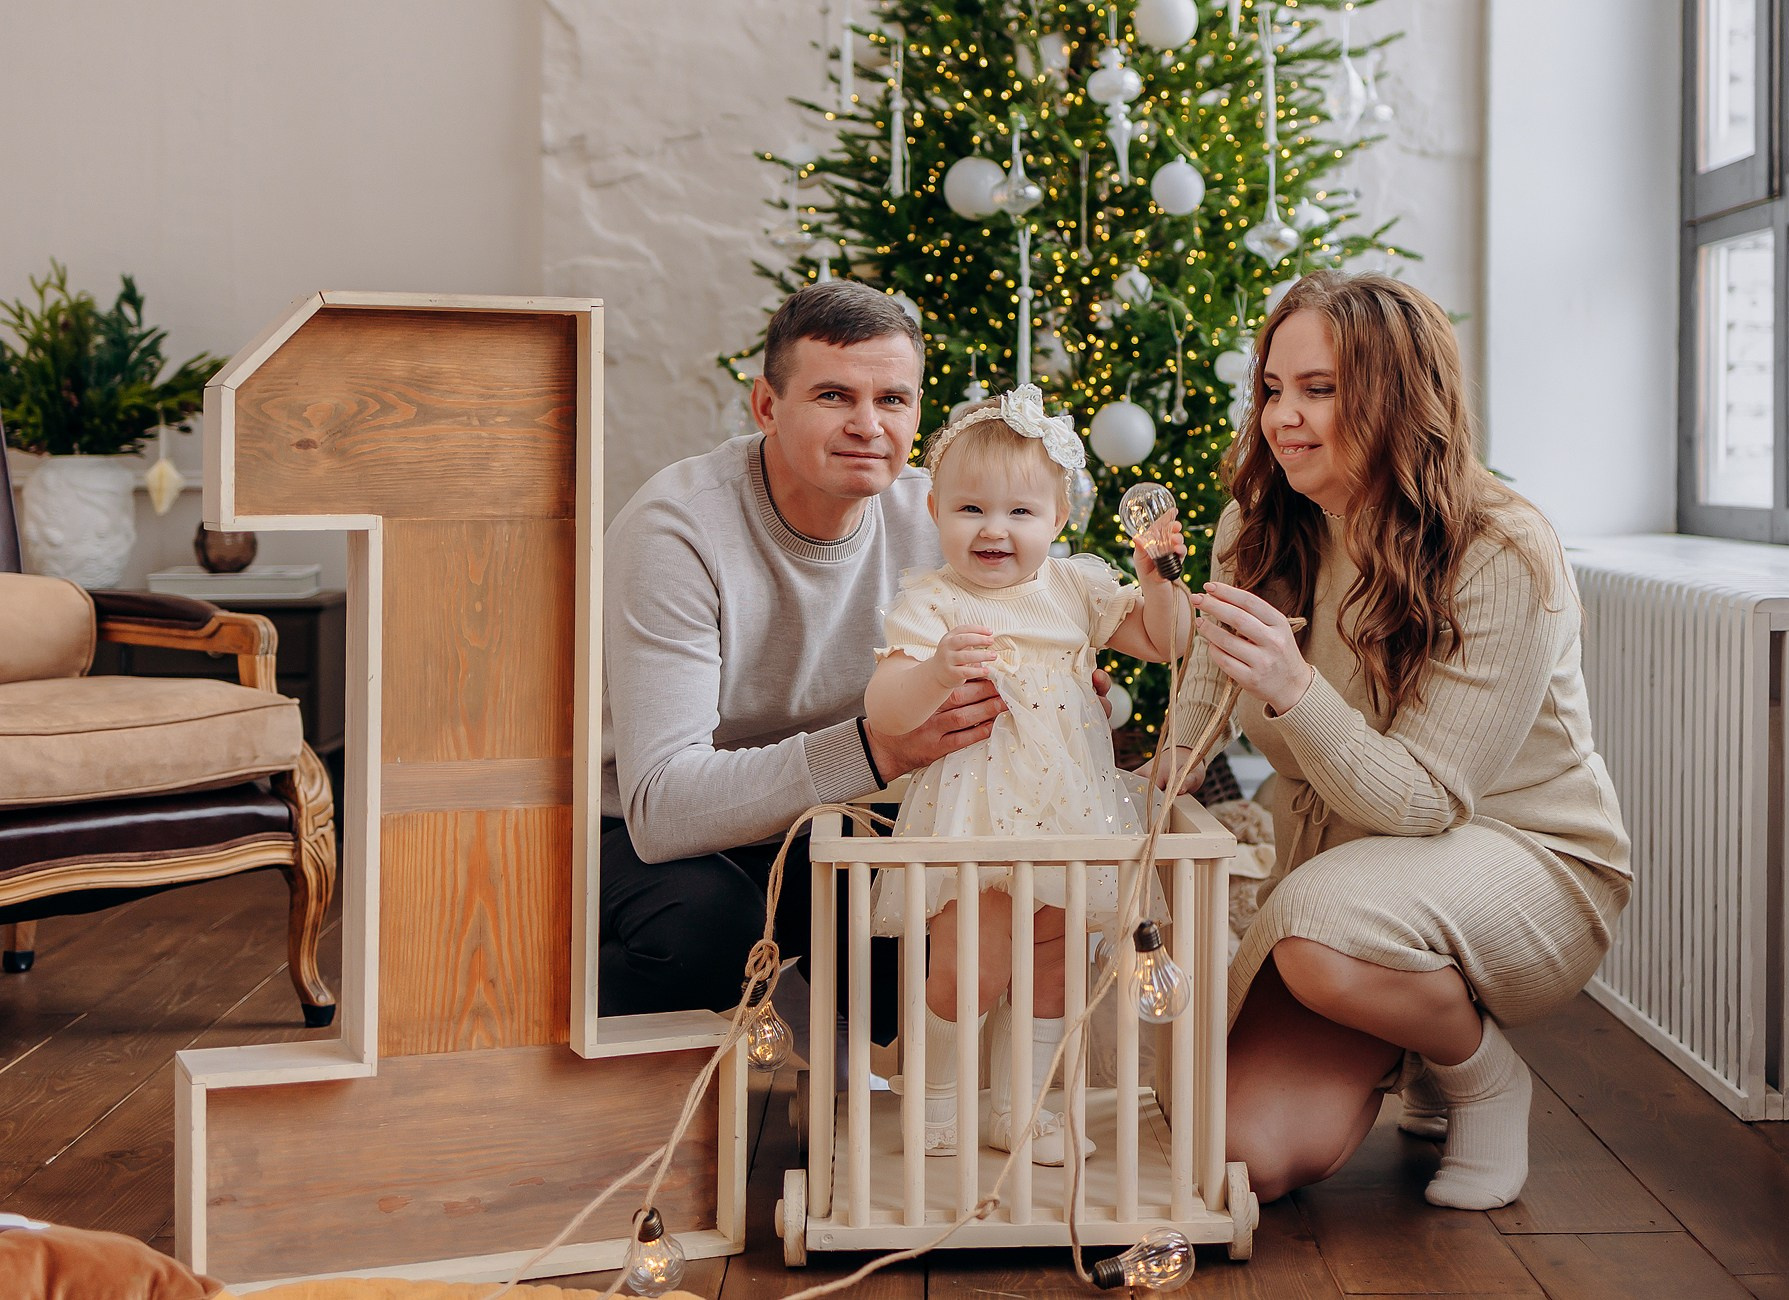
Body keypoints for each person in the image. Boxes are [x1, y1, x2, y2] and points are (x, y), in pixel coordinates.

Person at [1155, 271, 1632, 1210]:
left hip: (1527, 859)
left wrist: (1295, 688)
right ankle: (1407, 1023)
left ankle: (1481, 1076)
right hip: (1356, 876)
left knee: (1324, 928)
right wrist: (1139, 775)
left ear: (1399, 396)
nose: (1283, 418)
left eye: (1319, 390)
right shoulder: (1254, 527)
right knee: (1239, 1153)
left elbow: (1425, 802)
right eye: (1272, 388)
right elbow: (1199, 707)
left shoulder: (1502, 548)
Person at [598, 280, 1000, 1028]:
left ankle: (875, 1108)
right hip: (629, 824)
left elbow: (1048, 622)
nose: (868, 426)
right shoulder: (677, 529)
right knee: (709, 926)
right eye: (833, 397)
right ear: (765, 407)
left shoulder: (933, 515)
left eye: (893, 400)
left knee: (913, 907)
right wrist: (874, 749)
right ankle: (558, 1070)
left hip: (825, 812)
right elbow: (657, 806)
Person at [863, 386, 1189, 1163]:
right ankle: (938, 1095)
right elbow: (886, 708)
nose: (994, 530)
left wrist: (1159, 579)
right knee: (968, 965)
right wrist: (936, 672)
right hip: (974, 815)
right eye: (971, 510)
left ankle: (1027, 1106)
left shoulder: (1074, 586)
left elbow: (1168, 641)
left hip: (1071, 811)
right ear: (935, 509)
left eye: (1020, 513)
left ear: (1060, 520)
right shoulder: (933, 602)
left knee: (1054, 963)